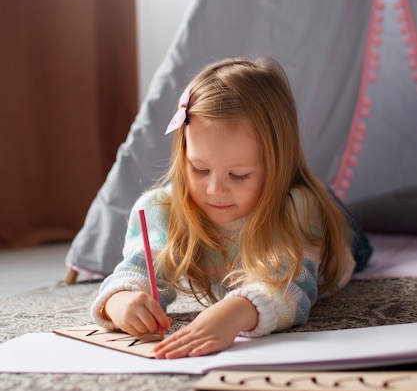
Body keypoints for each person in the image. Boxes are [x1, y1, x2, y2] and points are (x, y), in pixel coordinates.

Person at [90, 56, 371, 359]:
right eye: (199, 169)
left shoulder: (297, 210)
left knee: (345, 226)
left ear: (277, 166)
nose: (214, 190)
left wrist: (236, 311)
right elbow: (135, 271)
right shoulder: (162, 210)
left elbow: (293, 292)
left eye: (238, 175)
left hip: (334, 242)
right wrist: (120, 301)